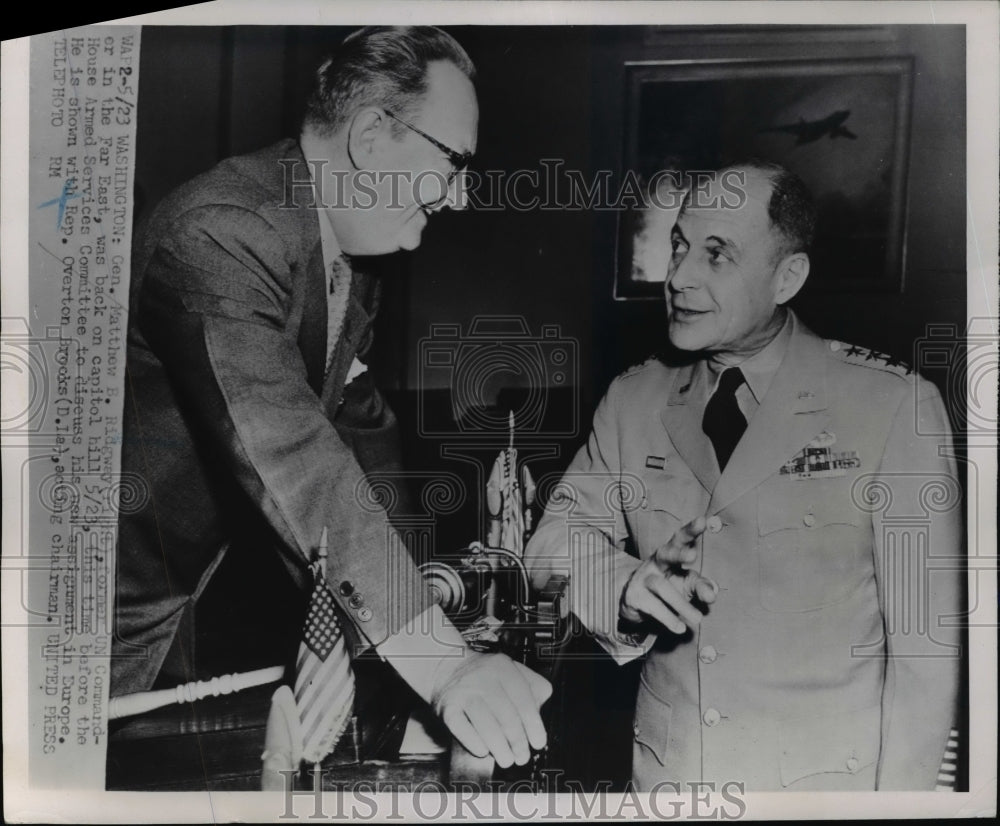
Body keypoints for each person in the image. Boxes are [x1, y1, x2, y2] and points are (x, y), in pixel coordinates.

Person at [113, 26, 549, 771]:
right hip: (110, 635)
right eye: (455, 162)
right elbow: (294, 455)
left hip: (198, 620)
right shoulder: (221, 231)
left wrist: (419, 606)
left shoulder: (346, 256)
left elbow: (361, 431)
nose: (462, 195)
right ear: (374, 135)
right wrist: (441, 666)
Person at [524, 161, 962, 790]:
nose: (678, 277)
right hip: (671, 786)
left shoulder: (892, 406)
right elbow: (549, 548)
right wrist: (619, 581)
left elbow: (926, 660)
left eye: (717, 254)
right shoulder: (634, 398)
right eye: (678, 245)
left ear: (788, 277)